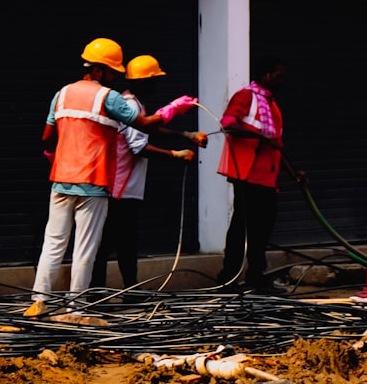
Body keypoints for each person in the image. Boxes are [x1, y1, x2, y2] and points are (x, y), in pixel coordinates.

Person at [30, 38, 196, 307]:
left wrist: (55, 159)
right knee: (86, 248)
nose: (114, 78)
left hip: (61, 181)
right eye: (111, 72)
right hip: (93, 183)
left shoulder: (61, 94)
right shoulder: (108, 98)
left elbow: (47, 139)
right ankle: (77, 307)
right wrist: (174, 108)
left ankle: (38, 302)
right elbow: (143, 123)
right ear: (97, 70)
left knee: (54, 244)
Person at [91, 54, 208, 290]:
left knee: (121, 243)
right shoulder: (131, 105)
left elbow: (149, 129)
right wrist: (175, 155)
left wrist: (185, 135)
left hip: (122, 189)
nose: (156, 85)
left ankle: (123, 291)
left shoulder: (132, 103)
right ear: (143, 81)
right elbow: (139, 147)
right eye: (154, 80)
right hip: (119, 190)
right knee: (115, 244)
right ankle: (103, 293)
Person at [214, 54, 303, 293]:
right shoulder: (246, 97)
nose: (282, 81)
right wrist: (259, 135)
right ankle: (229, 278)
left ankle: (254, 276)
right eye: (278, 76)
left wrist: (294, 172)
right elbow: (228, 123)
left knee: (261, 228)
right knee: (242, 226)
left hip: (266, 177)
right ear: (266, 74)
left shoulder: (271, 104)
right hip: (247, 174)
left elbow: (276, 145)